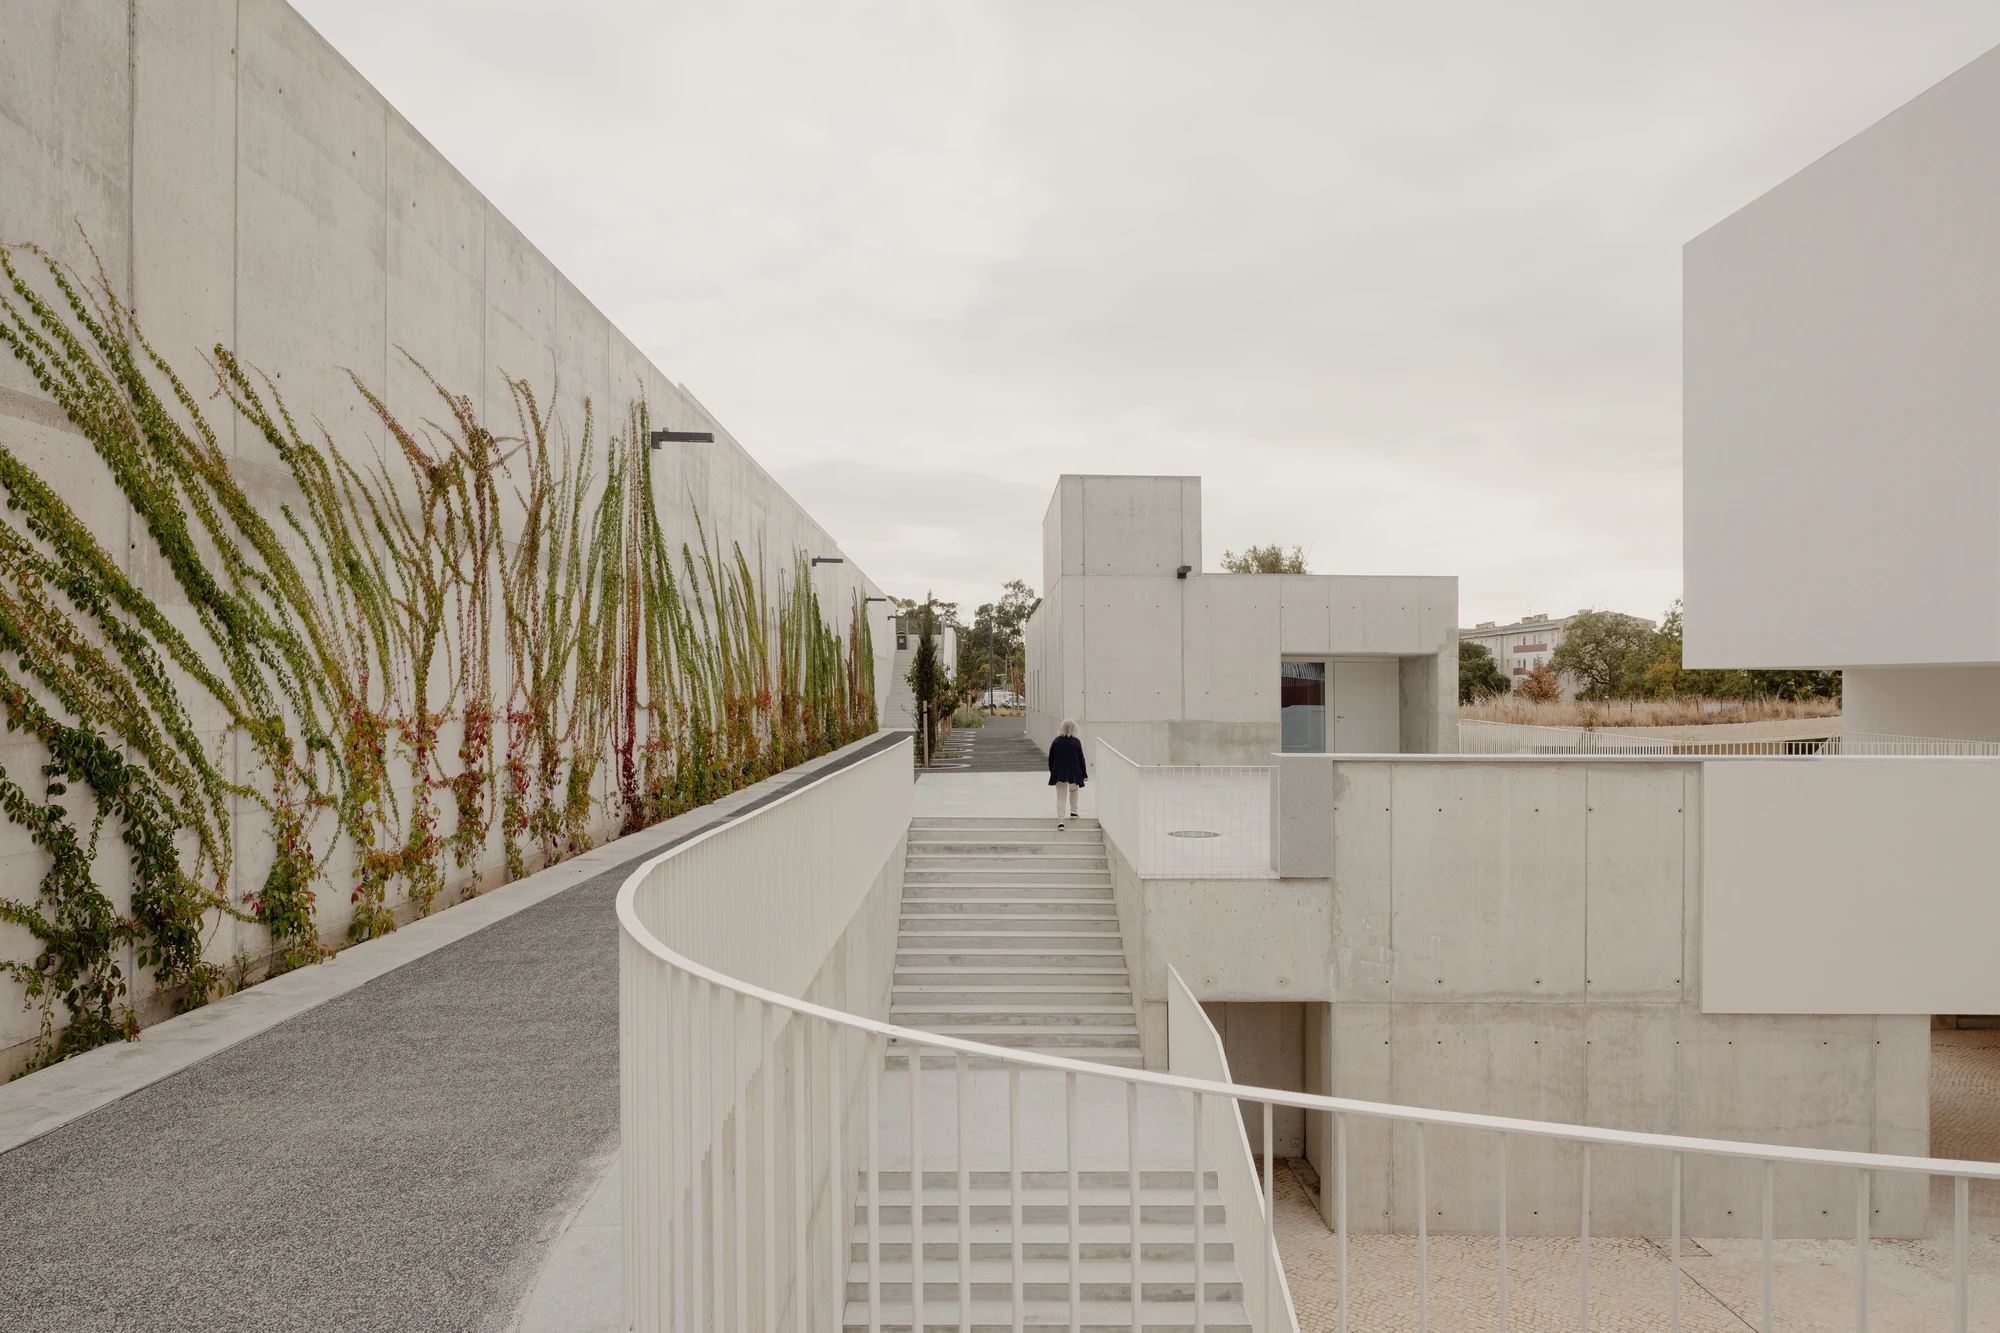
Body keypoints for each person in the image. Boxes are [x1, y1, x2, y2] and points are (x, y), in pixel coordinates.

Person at [1048, 719, 1087, 828]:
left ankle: (1061, 821)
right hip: (1074, 771)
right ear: (1074, 729)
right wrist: (1084, 774)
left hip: (1059, 771)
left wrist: (1053, 772)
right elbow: (1081, 759)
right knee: (1073, 789)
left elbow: (1051, 758)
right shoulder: (1076, 742)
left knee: (1061, 797)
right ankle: (1074, 811)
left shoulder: (1056, 741)